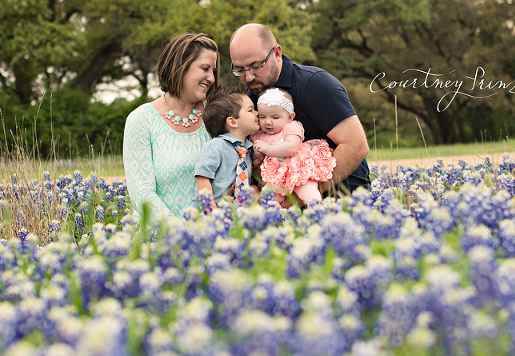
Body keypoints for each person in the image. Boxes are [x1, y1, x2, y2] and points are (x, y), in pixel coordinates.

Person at [229, 23, 370, 200]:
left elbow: (356, 146)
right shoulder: (248, 99)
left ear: (277, 53)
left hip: (344, 201)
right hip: (279, 207)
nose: (248, 77)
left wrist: (299, 200)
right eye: (240, 70)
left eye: (256, 66)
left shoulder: (315, 84)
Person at [123, 32, 220, 219]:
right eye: (205, 68)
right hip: (158, 232)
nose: (212, 78)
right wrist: (181, 230)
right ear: (181, 66)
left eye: (213, 71)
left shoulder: (215, 116)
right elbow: (142, 194)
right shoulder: (142, 120)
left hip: (212, 231)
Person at [252, 87, 336, 205]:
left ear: (290, 117)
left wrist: (267, 149)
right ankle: (274, 214)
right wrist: (258, 154)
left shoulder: (291, 127)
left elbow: (291, 148)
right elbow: (256, 161)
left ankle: (316, 206)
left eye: (275, 117)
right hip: (274, 176)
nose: (268, 122)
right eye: (262, 117)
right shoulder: (258, 136)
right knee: (269, 199)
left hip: (296, 168)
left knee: (306, 189)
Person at [194, 84, 261, 207]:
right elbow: (202, 178)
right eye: (250, 110)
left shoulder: (247, 150)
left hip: (234, 215)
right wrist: (211, 211)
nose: (257, 113)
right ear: (232, 121)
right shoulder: (215, 146)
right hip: (210, 213)